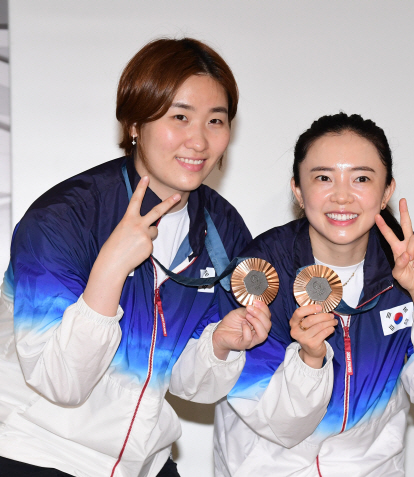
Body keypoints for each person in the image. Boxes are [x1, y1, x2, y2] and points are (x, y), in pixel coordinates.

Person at [0, 38, 271, 477]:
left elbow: (188, 386)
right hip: (38, 449)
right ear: (134, 123)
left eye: (215, 120)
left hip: (143, 460)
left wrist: (221, 344)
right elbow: (61, 383)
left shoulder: (223, 230)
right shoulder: (63, 219)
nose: (199, 140)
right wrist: (109, 268)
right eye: (179, 116)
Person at [213, 112, 414, 476]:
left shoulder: (412, 266)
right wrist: (310, 361)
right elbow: (281, 427)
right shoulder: (261, 273)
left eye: (361, 178)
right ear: (297, 188)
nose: (342, 196)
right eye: (323, 177)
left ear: (387, 190)